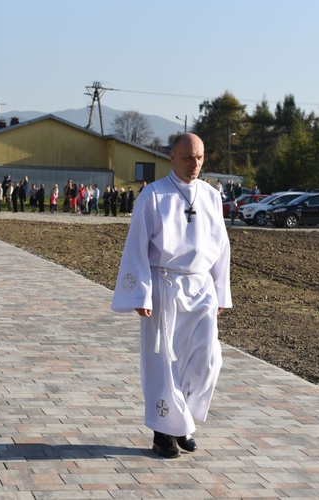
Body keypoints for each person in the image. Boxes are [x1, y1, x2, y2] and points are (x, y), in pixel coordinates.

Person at [110, 133, 232, 459]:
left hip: (202, 285)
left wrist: (221, 290)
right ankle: (163, 432)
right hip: (165, 285)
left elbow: (221, 245)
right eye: (189, 157)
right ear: (172, 157)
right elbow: (136, 244)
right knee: (164, 361)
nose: (195, 164)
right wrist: (141, 294)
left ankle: (184, 420)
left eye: (201, 158)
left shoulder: (210, 195)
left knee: (208, 359)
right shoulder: (153, 196)